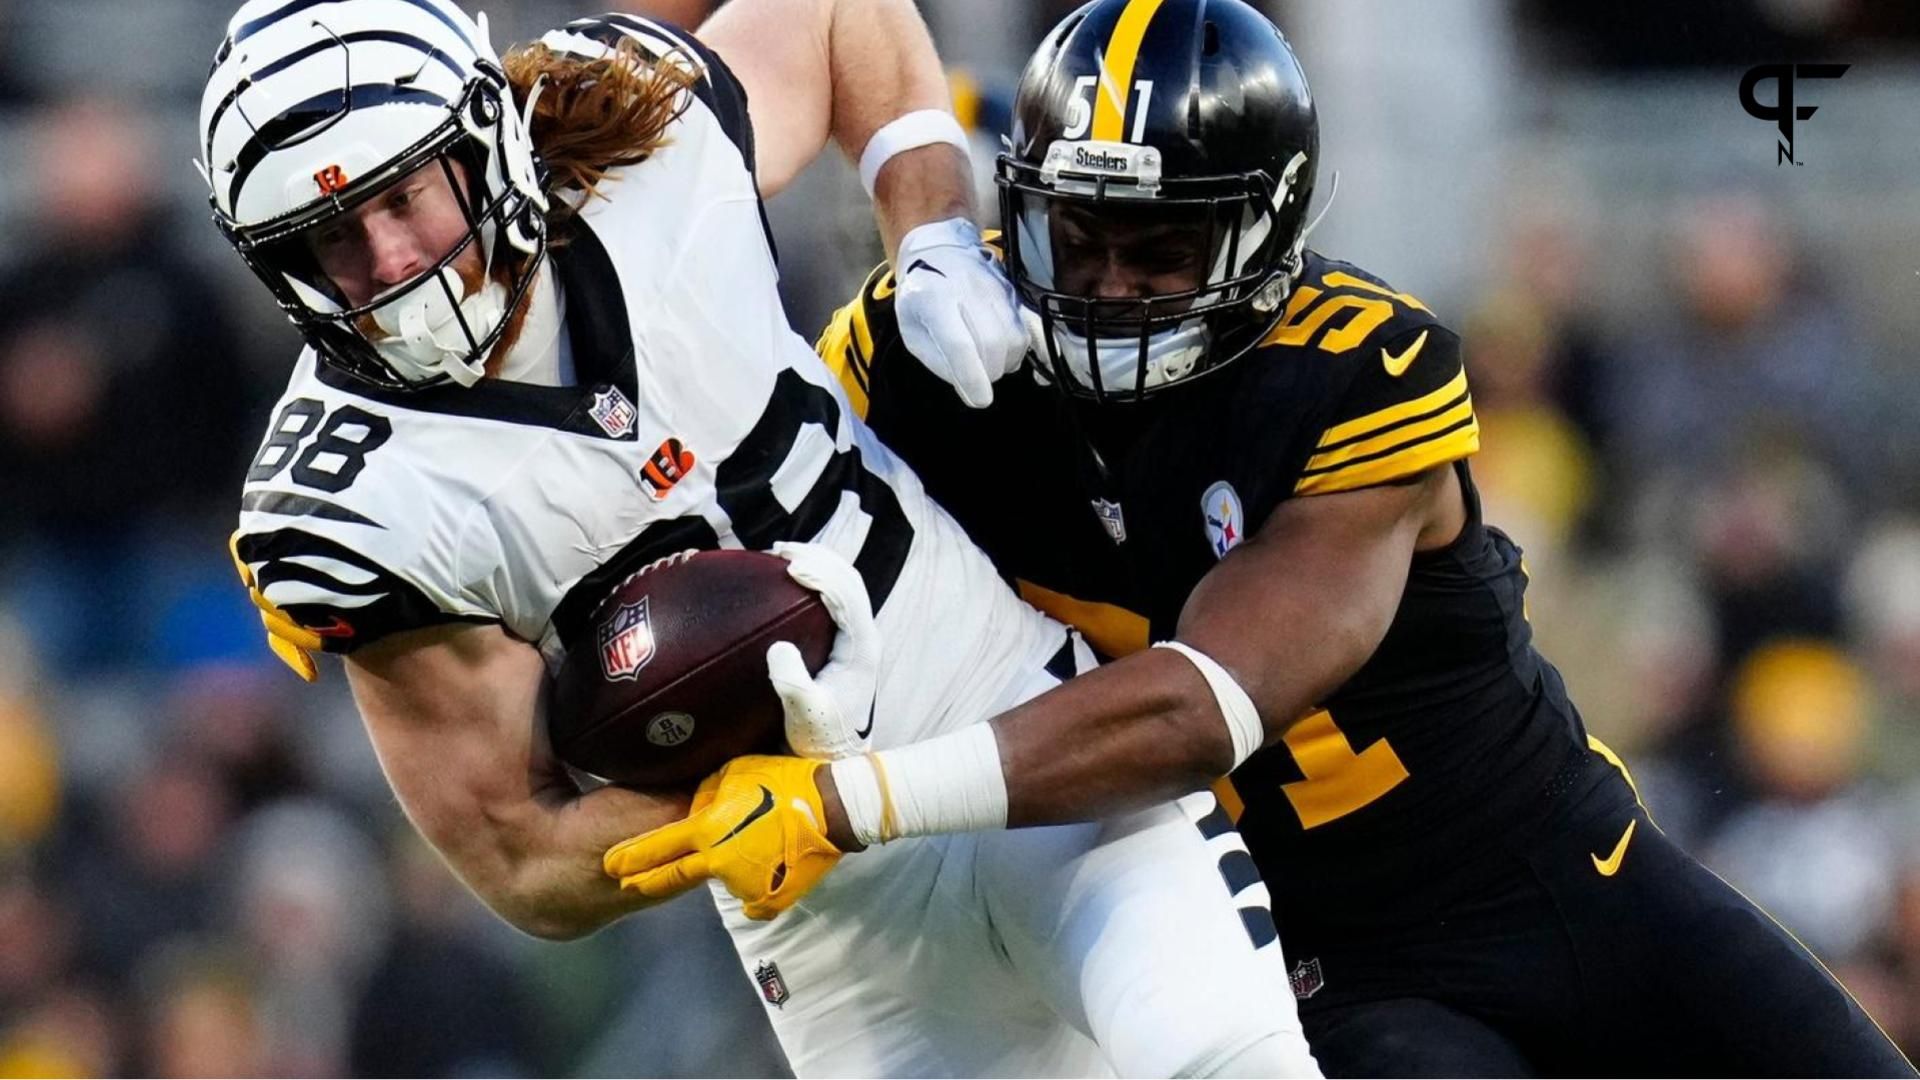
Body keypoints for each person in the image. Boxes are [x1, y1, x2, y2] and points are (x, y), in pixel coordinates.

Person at [618, 1, 1919, 1075]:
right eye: (1081, 234)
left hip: (1560, 876)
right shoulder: (939, 360)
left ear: (1267, 231)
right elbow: (731, 482)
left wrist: (852, 801)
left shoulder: (1357, 367)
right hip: (1329, 961)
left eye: (1163, 248)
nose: (1113, 285)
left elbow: (1205, 704)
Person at [206, 0, 1319, 1075]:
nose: (392, 257)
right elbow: (516, 856)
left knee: (1230, 1058)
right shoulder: (351, 507)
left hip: (1014, 721)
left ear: (487, 135)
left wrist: (929, 229)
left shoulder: (637, 139)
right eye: (330, 240)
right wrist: (718, 814)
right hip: (831, 916)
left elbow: (842, 16)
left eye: (407, 196)